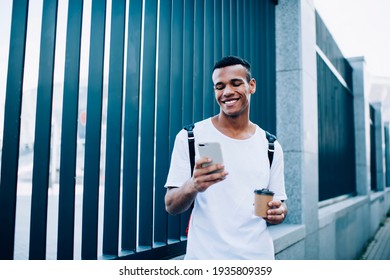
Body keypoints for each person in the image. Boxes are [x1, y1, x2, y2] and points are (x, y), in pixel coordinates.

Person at [164, 55, 288, 259]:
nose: (227, 92)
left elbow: (280, 202)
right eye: (219, 86)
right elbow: (171, 205)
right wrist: (194, 184)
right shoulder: (191, 136)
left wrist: (279, 211)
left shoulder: (271, 146)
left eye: (236, 83)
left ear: (252, 86)